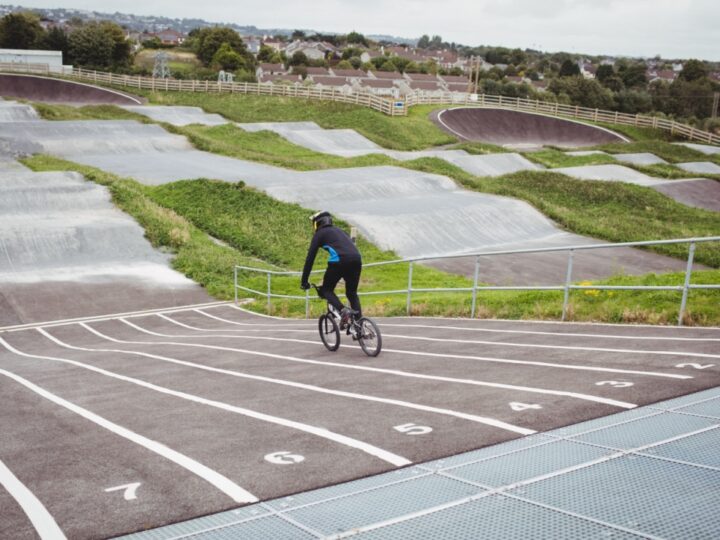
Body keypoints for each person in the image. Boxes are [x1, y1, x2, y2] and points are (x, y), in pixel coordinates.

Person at [300, 211, 362, 327]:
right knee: (352, 293)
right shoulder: (340, 231)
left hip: (339, 260)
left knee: (326, 290)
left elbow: (310, 259)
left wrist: (304, 281)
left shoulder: (320, 234)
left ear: (317, 223)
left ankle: (343, 311)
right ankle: (360, 326)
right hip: (357, 259)